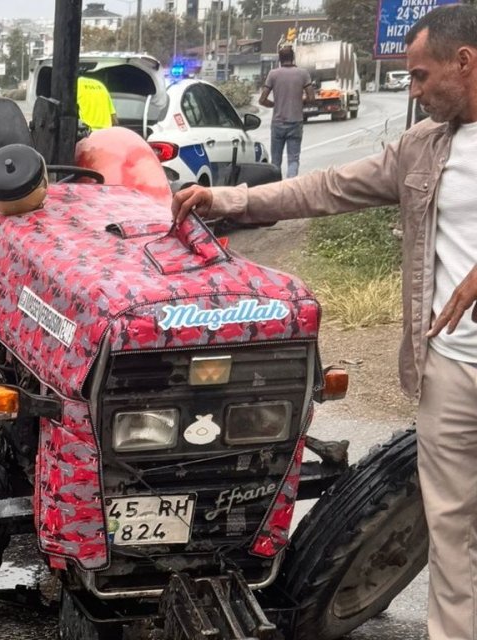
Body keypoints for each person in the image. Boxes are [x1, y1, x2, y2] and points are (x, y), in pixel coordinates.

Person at [172, 6, 477, 637]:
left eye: (420, 76)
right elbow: (326, 188)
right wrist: (230, 199)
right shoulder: (424, 148)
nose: (413, 91)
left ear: (465, 62)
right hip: (453, 365)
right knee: (452, 536)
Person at [259, 46, 316, 177]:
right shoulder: (303, 74)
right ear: (293, 58)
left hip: (278, 123)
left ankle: (276, 191)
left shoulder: (273, 74)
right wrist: (301, 102)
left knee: (276, 162)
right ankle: (290, 189)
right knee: (293, 160)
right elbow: (311, 98)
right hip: (296, 122)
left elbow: (262, 100)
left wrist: (275, 104)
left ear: (280, 59)